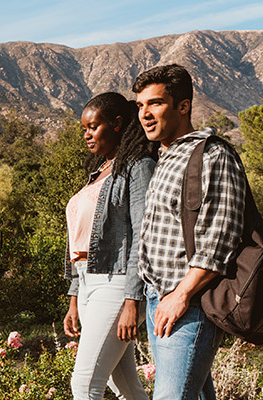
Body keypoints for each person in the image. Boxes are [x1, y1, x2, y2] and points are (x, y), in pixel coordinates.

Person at [133, 64, 245, 400]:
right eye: (140, 106)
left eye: (155, 103)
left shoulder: (212, 154)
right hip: (160, 301)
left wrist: (180, 296)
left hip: (189, 305)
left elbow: (221, 237)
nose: (145, 114)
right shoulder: (166, 157)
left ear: (183, 106)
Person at [62, 92, 157, 400]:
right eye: (84, 129)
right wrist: (74, 299)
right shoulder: (98, 172)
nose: (87, 135)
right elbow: (80, 243)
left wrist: (133, 299)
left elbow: (144, 234)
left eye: (94, 127)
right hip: (89, 281)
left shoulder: (138, 166)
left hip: (117, 284)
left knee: (85, 384)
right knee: (125, 385)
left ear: (117, 124)